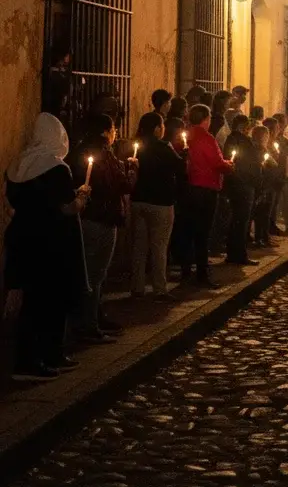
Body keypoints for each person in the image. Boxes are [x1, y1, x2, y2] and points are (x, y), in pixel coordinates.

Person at [4, 114, 90, 380]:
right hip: (52, 243)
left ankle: (45, 355)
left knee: (34, 299)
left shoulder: (19, 166)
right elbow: (66, 207)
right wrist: (82, 197)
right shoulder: (55, 168)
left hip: (24, 239)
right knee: (49, 301)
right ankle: (34, 360)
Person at [71, 113, 135, 342]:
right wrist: (130, 174)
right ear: (105, 131)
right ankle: (88, 324)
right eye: (114, 128)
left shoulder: (83, 150)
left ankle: (94, 317)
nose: (116, 132)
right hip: (100, 218)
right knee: (95, 274)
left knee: (94, 273)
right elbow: (115, 185)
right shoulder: (102, 153)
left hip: (92, 216)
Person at [130, 111, 187, 299]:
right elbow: (180, 169)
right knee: (159, 247)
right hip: (161, 203)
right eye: (161, 126)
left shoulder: (136, 147)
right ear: (156, 129)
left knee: (139, 247)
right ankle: (159, 288)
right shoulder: (164, 148)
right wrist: (184, 154)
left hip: (138, 200)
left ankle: (137, 287)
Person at [182, 104, 234, 288]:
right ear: (205, 119)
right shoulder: (206, 138)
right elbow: (216, 162)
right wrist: (228, 165)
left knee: (189, 230)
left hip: (190, 187)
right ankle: (202, 274)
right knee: (203, 232)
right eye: (209, 117)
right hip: (206, 188)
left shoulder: (187, 135)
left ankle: (186, 270)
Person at [223, 114, 261, 265]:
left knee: (237, 220)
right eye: (248, 127)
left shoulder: (231, 139)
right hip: (243, 185)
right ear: (242, 126)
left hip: (239, 184)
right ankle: (238, 254)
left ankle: (234, 252)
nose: (249, 130)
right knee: (241, 221)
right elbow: (248, 162)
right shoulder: (241, 140)